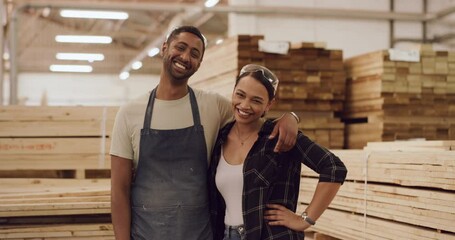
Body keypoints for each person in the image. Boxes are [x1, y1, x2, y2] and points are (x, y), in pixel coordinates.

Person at [110, 26, 300, 240]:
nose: (185, 57)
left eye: (194, 54)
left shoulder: (213, 106)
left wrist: (291, 116)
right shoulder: (129, 113)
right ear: (164, 48)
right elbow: (119, 190)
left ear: (199, 63)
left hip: (201, 234)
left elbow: (253, 116)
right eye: (180, 48)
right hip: (146, 234)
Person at [208, 64, 348, 240]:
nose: (245, 105)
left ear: (269, 105)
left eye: (256, 100)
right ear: (233, 92)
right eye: (240, 95)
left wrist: (305, 219)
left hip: (271, 236)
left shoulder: (280, 135)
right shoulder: (220, 136)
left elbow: (334, 168)